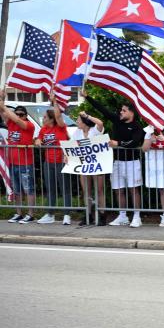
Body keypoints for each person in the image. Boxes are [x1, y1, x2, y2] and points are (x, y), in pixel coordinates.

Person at [84, 91, 145, 228]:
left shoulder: (137, 126)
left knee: (133, 190)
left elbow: (135, 142)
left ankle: (136, 216)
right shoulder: (117, 120)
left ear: (131, 113)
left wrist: (118, 144)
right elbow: (103, 110)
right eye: (121, 110)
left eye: (124, 111)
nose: (121, 112)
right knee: (118, 190)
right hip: (117, 162)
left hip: (132, 163)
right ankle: (122, 215)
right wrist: (87, 96)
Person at [0, 90, 36, 224]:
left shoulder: (29, 125)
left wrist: (4, 106)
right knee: (17, 190)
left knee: (29, 189)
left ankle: (31, 214)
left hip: (25, 163)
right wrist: (2, 98)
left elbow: (14, 118)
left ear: (26, 116)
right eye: (17, 114)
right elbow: (3, 114)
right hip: (13, 162)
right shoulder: (11, 124)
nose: (19, 116)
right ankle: (19, 213)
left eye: (22, 114)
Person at [35, 97, 71, 225]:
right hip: (48, 163)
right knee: (50, 188)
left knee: (64, 188)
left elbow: (59, 117)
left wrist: (54, 102)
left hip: (61, 161)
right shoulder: (43, 129)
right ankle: (50, 214)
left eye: (45, 117)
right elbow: (38, 139)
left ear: (51, 119)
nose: (43, 119)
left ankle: (67, 215)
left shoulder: (60, 127)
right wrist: (38, 141)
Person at [72, 111, 106, 226]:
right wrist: (66, 156)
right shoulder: (77, 132)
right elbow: (71, 146)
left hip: (97, 164)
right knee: (87, 191)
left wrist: (88, 116)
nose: (77, 122)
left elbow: (100, 123)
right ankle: (89, 214)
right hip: (84, 165)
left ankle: (102, 215)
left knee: (99, 190)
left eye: (79, 120)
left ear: (85, 122)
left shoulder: (94, 131)